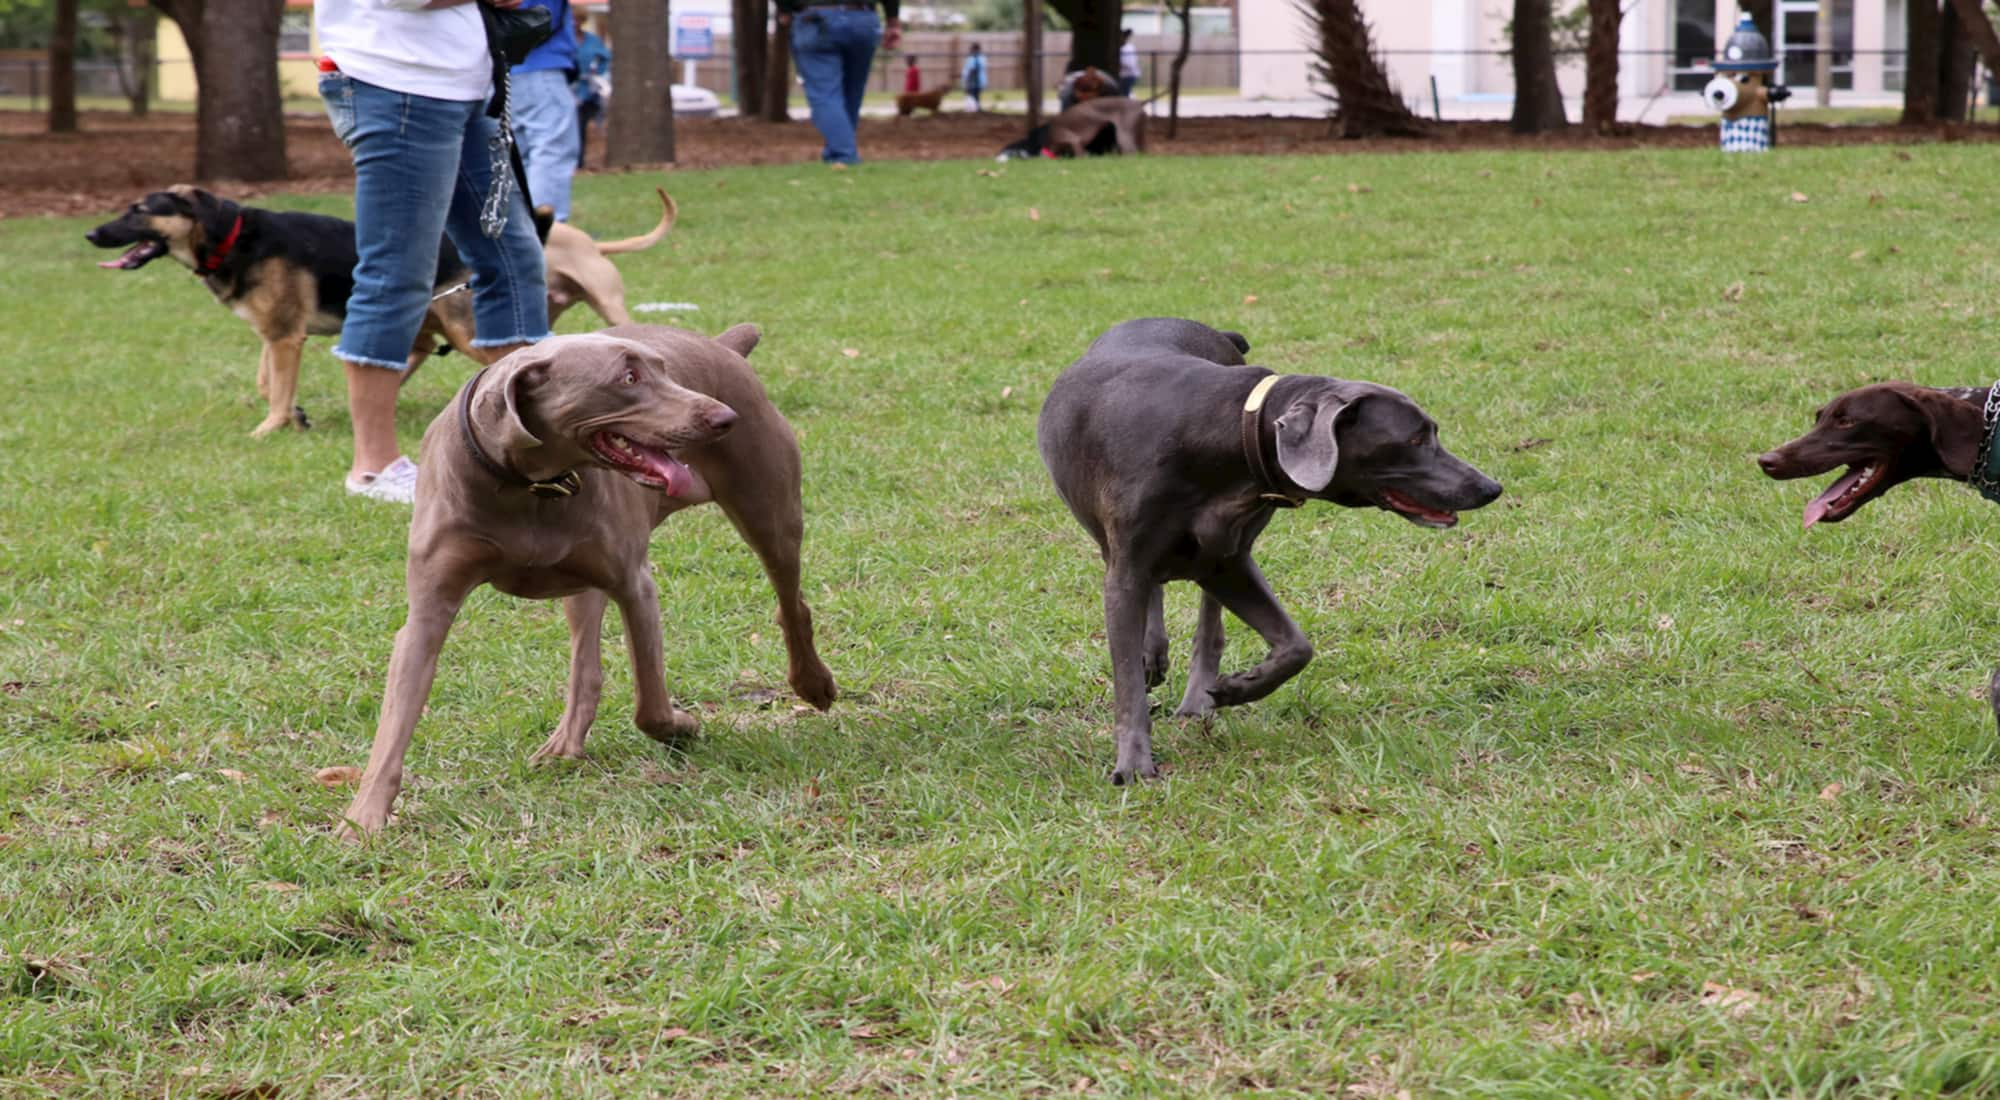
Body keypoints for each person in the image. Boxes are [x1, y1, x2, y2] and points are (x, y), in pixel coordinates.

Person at [314, 0, 550, 503]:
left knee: (514, 258)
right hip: (395, 85)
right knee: (398, 272)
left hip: (462, 89)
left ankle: (525, 438)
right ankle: (373, 468)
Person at [780, 0, 901, 165]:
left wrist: (785, 10)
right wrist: (893, 21)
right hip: (862, 18)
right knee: (852, 92)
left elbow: (785, 12)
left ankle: (844, 154)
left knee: (825, 94)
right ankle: (835, 153)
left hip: (816, 18)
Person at [509, 0, 582, 222]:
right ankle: (550, 233)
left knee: (519, 159)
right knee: (552, 149)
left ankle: (521, 233)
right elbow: (540, 19)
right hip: (540, 68)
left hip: (506, 72)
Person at [571, 12, 610, 169]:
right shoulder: (563, 39)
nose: (574, 23)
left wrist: (597, 74)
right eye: (571, 19)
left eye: (578, 20)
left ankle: (579, 163)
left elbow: (605, 59)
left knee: (581, 127)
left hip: (587, 92)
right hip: (566, 89)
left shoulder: (592, 41)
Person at [961, 42, 987, 112]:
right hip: (977, 81)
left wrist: (968, 82)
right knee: (975, 97)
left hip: (974, 82)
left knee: (972, 96)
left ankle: (974, 110)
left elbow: (973, 70)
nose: (970, 51)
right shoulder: (981, 58)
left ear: (976, 49)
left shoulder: (975, 58)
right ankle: (977, 109)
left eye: (972, 49)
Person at [1118, 29, 1140, 97]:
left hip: (1128, 75)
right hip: (1124, 75)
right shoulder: (1122, 48)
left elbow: (1129, 64)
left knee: (1124, 94)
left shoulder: (1128, 48)